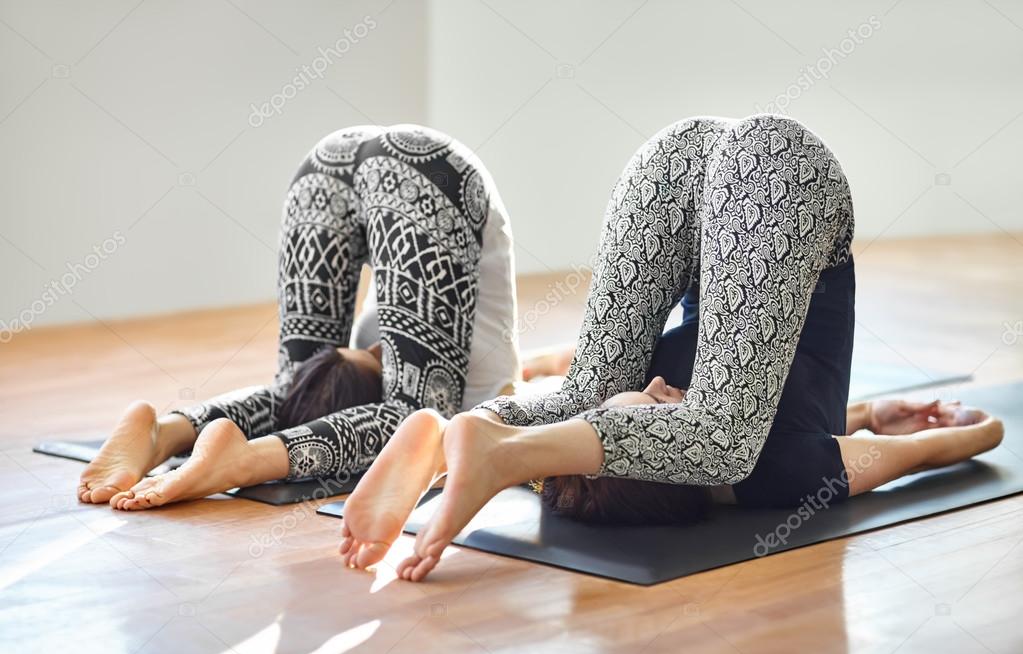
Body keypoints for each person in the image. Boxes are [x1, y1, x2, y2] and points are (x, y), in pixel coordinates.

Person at [335, 114, 1005, 581]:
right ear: (671, 470)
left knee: (583, 395)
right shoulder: (775, 476)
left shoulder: (755, 455)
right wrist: (965, 423)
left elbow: (775, 400)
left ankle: (479, 440)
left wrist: (867, 418)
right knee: (697, 428)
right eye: (655, 413)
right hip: (751, 169)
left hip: (708, 171)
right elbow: (945, 447)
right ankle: (487, 439)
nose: (658, 389)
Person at [77, 124, 521, 509]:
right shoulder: (478, 400)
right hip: (420, 171)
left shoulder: (477, 376)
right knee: (419, 425)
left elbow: (295, 400)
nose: (370, 346)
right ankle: (247, 459)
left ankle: (166, 432)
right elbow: (423, 431)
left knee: (292, 387)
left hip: (328, 163)